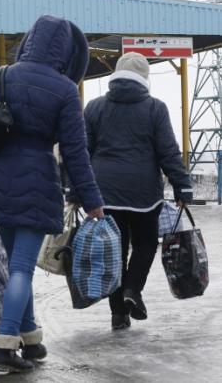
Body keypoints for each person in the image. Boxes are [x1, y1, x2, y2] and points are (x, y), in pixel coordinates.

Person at [0, 15, 105, 372]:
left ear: (29, 41)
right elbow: (75, 153)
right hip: (37, 183)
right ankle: (5, 347)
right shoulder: (65, 89)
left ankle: (31, 340)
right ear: (66, 51)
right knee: (21, 268)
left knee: (17, 266)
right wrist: (93, 201)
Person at [83, 52, 193, 330]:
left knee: (115, 253)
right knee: (145, 244)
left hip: (104, 191)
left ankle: (118, 314)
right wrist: (182, 185)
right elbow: (168, 152)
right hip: (144, 193)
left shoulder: (94, 107)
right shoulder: (155, 108)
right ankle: (133, 289)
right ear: (144, 78)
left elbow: (82, 152)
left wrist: (77, 190)